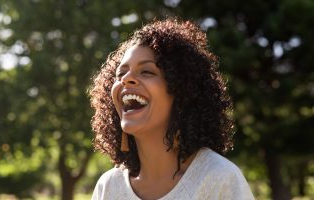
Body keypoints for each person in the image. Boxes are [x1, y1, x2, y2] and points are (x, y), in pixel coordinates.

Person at [88, 18, 254, 200]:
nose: (126, 79)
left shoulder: (219, 179)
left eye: (147, 72)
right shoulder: (109, 187)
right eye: (121, 73)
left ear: (182, 91)